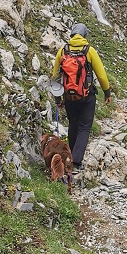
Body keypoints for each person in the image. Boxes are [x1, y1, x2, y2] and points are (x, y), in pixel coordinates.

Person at [52, 23, 111, 171]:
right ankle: (76, 161)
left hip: (68, 96)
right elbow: (102, 76)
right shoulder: (89, 51)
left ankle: (68, 158)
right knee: (84, 127)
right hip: (87, 96)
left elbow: (55, 77)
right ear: (84, 36)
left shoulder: (63, 50)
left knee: (73, 124)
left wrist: (57, 99)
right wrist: (107, 93)